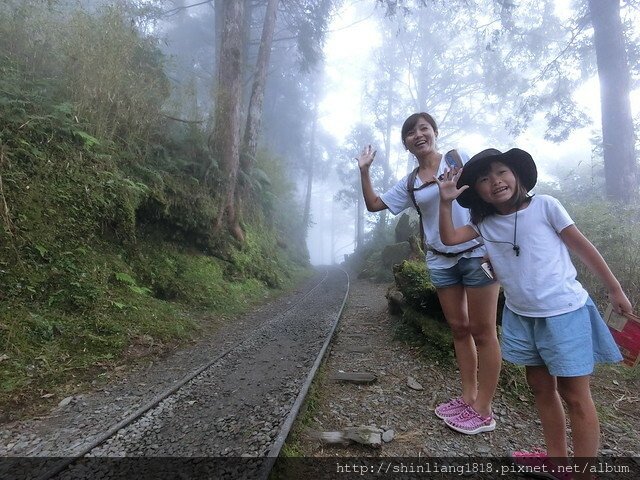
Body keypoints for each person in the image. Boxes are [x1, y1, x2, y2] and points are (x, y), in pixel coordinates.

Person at [435, 147, 629, 479]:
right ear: (478, 190)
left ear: (518, 175)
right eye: (484, 178)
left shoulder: (546, 206)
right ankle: (557, 462)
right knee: (540, 386)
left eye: (501, 172)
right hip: (522, 317)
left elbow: (582, 246)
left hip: (564, 312)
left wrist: (614, 288)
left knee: (575, 395)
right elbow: (450, 238)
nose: (495, 182)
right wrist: (445, 201)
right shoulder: (485, 223)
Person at [357, 112, 501, 435]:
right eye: (411, 132)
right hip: (440, 259)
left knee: (483, 330)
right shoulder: (410, 183)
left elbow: (490, 193)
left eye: (424, 128)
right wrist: (364, 171)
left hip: (476, 252)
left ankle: (484, 410)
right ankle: (468, 396)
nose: (418, 134)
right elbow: (374, 204)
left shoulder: (458, 160)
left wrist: (500, 239)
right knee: (459, 328)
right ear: (407, 144)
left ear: (435, 132)